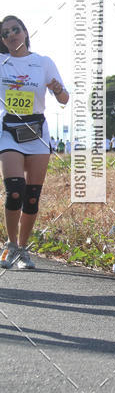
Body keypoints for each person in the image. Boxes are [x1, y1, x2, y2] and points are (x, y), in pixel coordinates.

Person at [0, 15, 69, 270]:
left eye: (15, 29)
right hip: (9, 130)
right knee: (15, 190)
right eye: (5, 33)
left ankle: (23, 249)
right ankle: (11, 244)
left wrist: (58, 89)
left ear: (25, 32)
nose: (11, 35)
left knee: (31, 197)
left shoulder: (43, 62)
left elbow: (64, 99)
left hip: (37, 131)